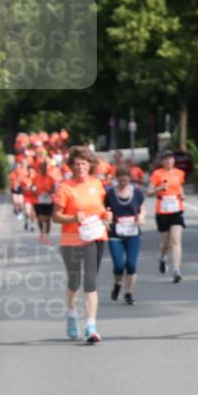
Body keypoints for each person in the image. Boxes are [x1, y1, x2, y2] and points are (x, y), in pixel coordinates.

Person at [52, 145, 109, 344]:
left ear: (90, 165)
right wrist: (73, 218)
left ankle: (91, 326)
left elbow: (101, 209)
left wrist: (107, 215)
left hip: (94, 237)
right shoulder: (65, 187)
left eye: (83, 164)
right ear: (71, 167)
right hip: (71, 240)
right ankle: (71, 313)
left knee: (91, 281)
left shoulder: (98, 185)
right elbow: (56, 216)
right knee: (74, 281)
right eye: (76, 164)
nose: (79, 168)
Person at [105, 166, 146, 305]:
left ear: (129, 179)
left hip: (133, 233)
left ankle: (128, 293)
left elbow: (142, 208)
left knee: (131, 265)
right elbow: (106, 209)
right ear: (116, 179)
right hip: (115, 233)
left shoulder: (137, 193)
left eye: (125, 180)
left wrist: (141, 217)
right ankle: (117, 284)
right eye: (120, 181)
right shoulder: (110, 193)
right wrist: (107, 218)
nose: (123, 183)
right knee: (118, 265)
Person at [147, 150, 186, 282]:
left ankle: (176, 270)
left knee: (176, 239)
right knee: (166, 242)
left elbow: (179, 187)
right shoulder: (157, 174)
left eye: (171, 158)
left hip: (176, 210)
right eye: (166, 159)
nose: (169, 161)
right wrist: (159, 189)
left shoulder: (179, 173)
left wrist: (182, 194)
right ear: (162, 161)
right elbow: (149, 192)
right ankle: (162, 257)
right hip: (162, 212)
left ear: (173, 160)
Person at [31, 162, 57, 244]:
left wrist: (50, 191)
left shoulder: (51, 178)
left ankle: (47, 235)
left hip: (49, 200)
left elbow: (54, 188)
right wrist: (34, 190)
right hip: (38, 200)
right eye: (42, 168)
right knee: (40, 218)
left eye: (45, 168)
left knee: (48, 219)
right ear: (40, 169)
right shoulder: (36, 178)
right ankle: (42, 232)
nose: (44, 169)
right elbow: (32, 187)